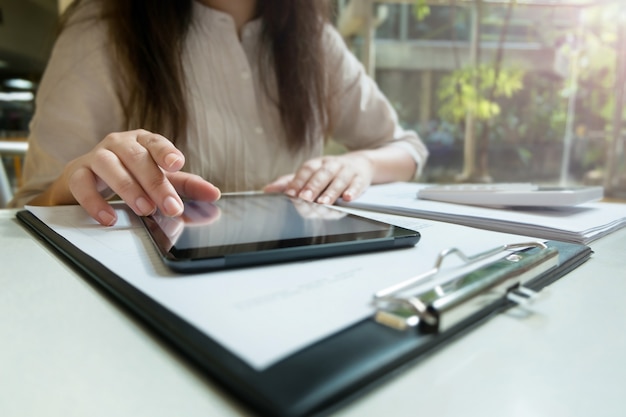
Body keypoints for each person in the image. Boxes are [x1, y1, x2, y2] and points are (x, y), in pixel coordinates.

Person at [9, 0, 428, 226]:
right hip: (152, 297)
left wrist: (361, 163)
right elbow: (27, 207)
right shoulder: (101, 28)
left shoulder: (314, 41)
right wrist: (79, 181)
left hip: (292, 281)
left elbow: (408, 149)